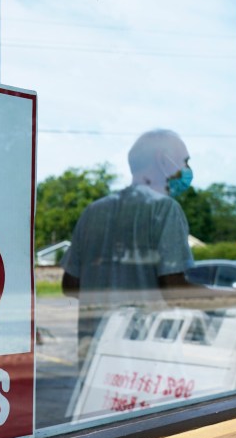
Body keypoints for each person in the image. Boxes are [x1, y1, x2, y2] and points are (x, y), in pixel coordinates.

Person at [61, 129, 202, 356]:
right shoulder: (164, 209)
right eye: (184, 161)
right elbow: (173, 288)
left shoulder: (94, 211)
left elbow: (69, 284)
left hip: (94, 351)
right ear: (163, 161)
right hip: (141, 355)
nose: (186, 169)